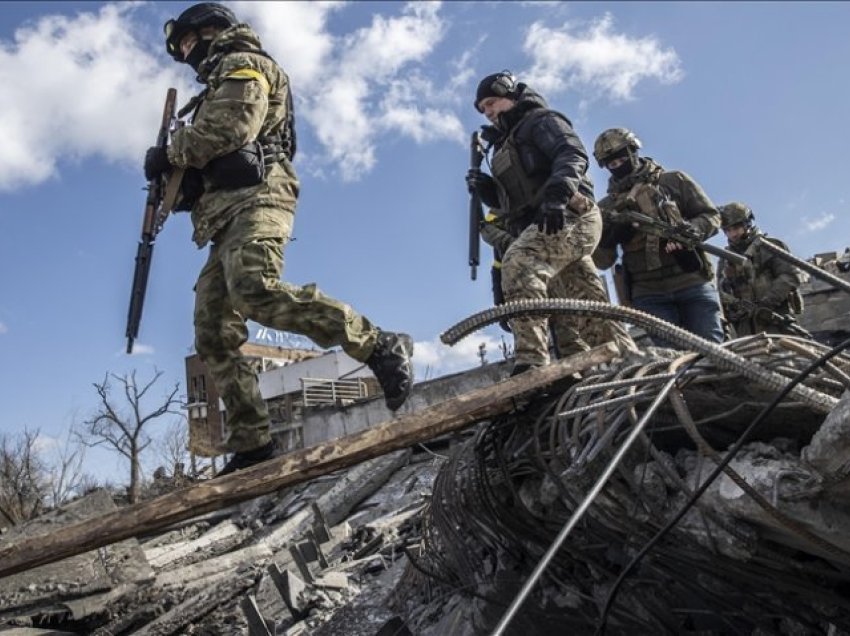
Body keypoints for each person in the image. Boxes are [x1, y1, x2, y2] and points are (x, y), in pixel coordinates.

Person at [144, 3, 413, 475]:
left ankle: (376, 343)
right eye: (181, 48)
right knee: (212, 331)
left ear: (212, 30)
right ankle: (252, 441)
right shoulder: (208, 89)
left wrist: (170, 151)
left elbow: (233, 128)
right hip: (222, 217)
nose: (187, 53)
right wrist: (174, 180)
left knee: (255, 289)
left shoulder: (245, 63)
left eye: (189, 42)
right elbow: (205, 167)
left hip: (260, 199)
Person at [466, 72, 635, 375]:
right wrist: (486, 188)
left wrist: (557, 196)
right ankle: (630, 362)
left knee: (518, 260)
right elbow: (513, 203)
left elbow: (571, 153)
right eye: (483, 109)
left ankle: (532, 362)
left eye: (492, 103)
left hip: (570, 215)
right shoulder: (504, 145)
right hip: (546, 228)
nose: (488, 112)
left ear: (511, 94)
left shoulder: (540, 120)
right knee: (587, 306)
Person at [592, 127, 725, 345]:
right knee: (671, 360)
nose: (618, 167)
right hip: (648, 294)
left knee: (713, 351)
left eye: (622, 159)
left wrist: (691, 231)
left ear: (634, 152)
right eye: (611, 165)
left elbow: (711, 216)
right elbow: (601, 260)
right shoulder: (607, 208)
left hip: (691, 282)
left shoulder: (673, 181)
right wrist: (613, 236)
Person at [716, 202, 805, 337]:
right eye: (727, 230)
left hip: (775, 317)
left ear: (747, 224)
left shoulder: (770, 246)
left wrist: (766, 304)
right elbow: (720, 290)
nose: (732, 234)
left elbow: (790, 276)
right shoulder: (725, 258)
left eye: (736, 228)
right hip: (744, 325)